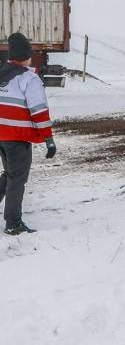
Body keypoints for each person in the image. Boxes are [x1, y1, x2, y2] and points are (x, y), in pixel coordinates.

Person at [1, 33, 56, 235]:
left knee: (9, 174)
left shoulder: (2, 74)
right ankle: (13, 223)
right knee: (17, 179)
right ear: (26, 55)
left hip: (2, 136)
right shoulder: (29, 78)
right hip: (17, 138)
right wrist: (49, 140)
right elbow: (39, 111)